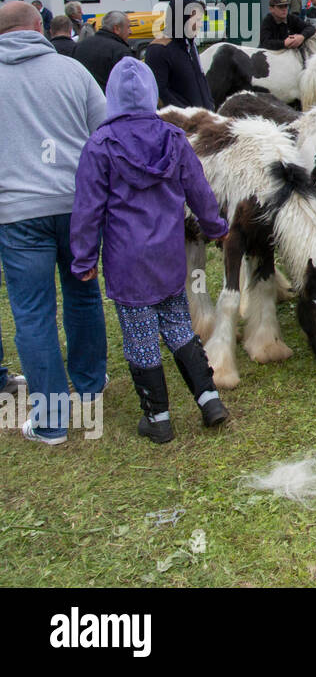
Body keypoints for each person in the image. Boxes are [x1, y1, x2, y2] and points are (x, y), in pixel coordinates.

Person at [70, 58, 229, 443]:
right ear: (151, 95)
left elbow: (87, 208)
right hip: (168, 254)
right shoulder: (173, 138)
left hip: (127, 260)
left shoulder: (100, 145)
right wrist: (215, 228)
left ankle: (158, 418)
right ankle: (209, 400)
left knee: (140, 336)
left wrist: (84, 258)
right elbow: (200, 190)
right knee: (177, 325)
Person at [0, 1, 108, 446]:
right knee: (83, 294)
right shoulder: (73, 72)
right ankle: (89, 385)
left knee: (33, 313)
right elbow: (103, 134)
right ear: (38, 27)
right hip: (76, 205)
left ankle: (51, 421)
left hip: (18, 212)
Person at [144, 0, 215, 110]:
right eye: (197, 20)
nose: (200, 25)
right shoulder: (158, 49)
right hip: (181, 123)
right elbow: (160, 92)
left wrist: (209, 103)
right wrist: (187, 115)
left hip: (202, 119)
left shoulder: (189, 45)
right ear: (182, 19)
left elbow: (200, 78)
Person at [74, 10, 135, 91]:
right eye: (128, 27)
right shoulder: (120, 51)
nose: (130, 31)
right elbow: (129, 85)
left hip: (83, 97)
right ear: (116, 28)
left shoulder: (81, 45)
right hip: (109, 100)